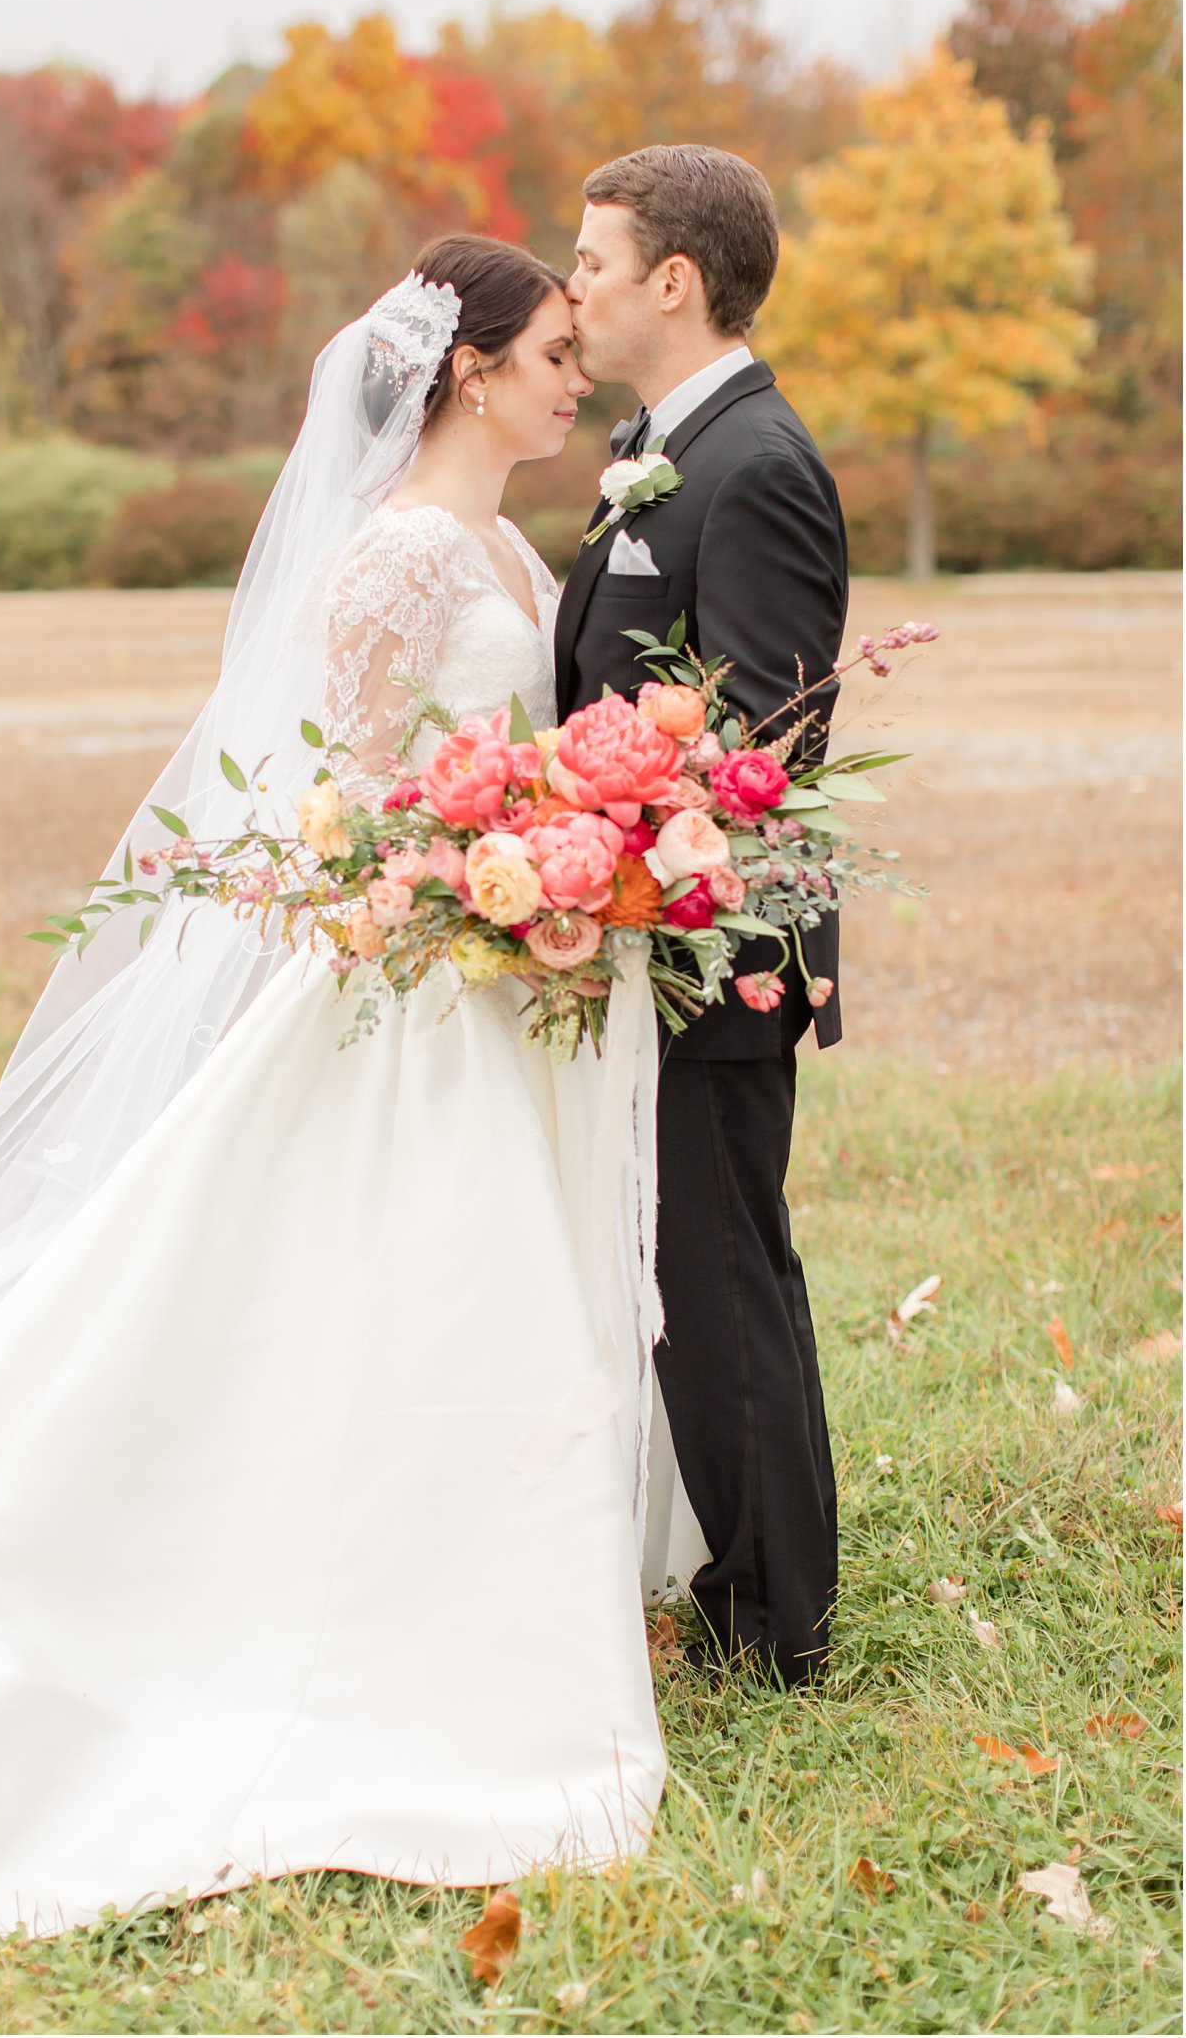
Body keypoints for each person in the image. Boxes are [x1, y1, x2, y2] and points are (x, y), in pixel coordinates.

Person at [0, 235, 708, 1937]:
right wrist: (475, 874)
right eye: (548, 353)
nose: (573, 373)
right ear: (466, 368)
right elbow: (344, 796)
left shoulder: (513, 545)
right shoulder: (389, 564)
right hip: (409, 986)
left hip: (503, 984)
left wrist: (571, 855)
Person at [557, 144, 850, 1687]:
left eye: (594, 260)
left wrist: (591, 845)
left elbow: (761, 749)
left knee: (723, 1270)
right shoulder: (660, 441)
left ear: (675, 278)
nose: (577, 285)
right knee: (691, 1266)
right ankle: (742, 1581)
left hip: (715, 953)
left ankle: (774, 1622)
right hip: (639, 939)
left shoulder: (761, 463)